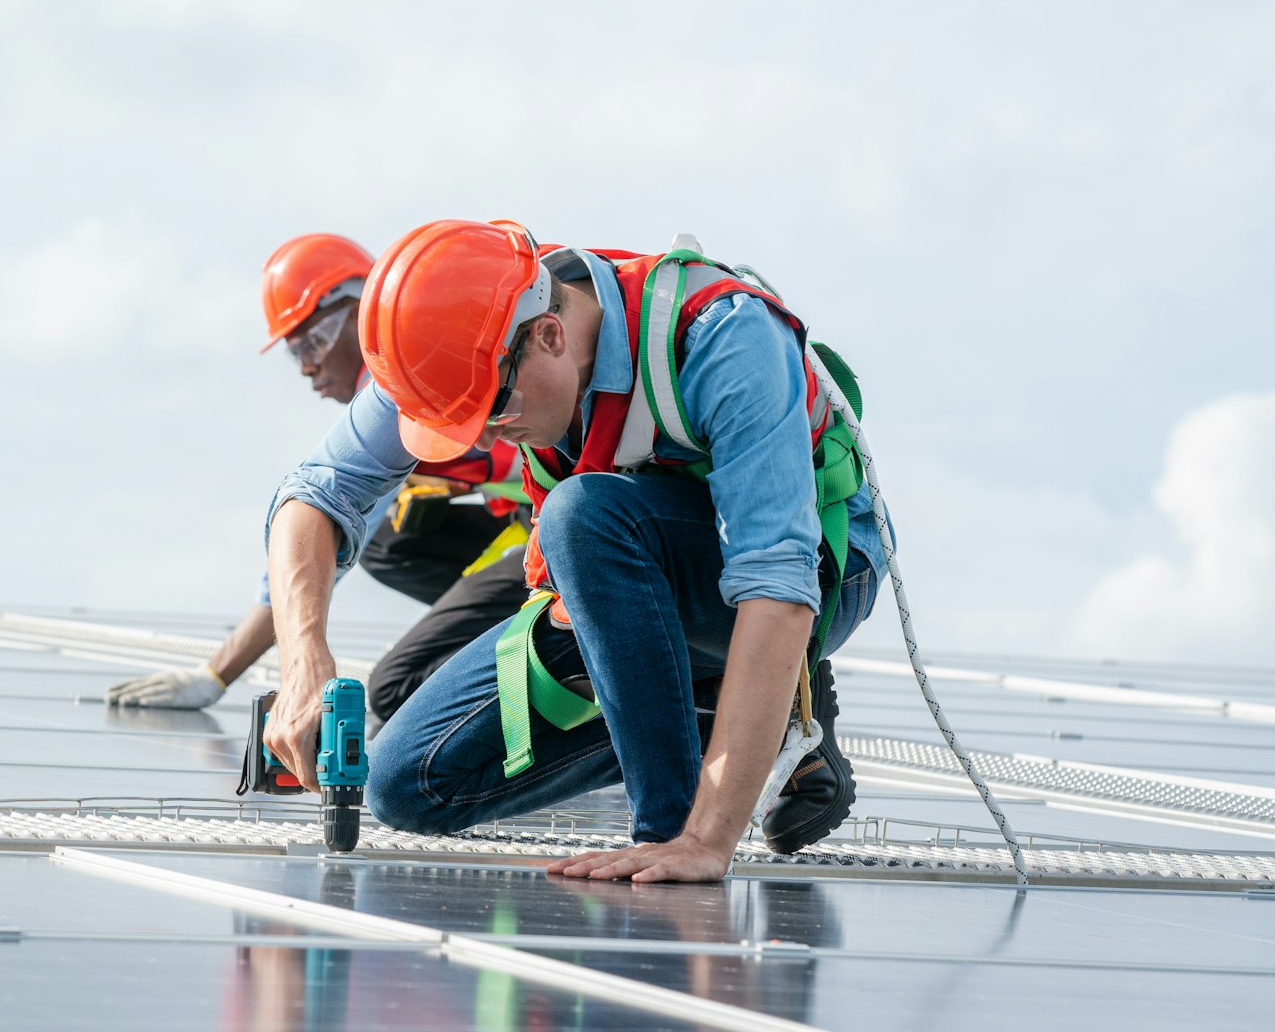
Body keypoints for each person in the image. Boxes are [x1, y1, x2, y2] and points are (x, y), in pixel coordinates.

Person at [260, 221, 886, 883]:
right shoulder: (453, 349)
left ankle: (671, 823)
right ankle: (720, 715)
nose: (490, 437)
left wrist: (706, 837)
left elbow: (778, 586)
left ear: (550, 336)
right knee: (406, 783)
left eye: (494, 413)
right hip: (630, 573)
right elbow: (314, 494)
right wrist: (303, 659)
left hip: (818, 575)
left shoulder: (724, 339)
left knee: (581, 513)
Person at [107, 233, 532, 721]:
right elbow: (324, 502)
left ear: (361, 312)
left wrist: (218, 673)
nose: (308, 367)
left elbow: (324, 537)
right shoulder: (392, 392)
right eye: (295, 352)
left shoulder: (408, 385)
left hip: (562, 530)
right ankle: (524, 631)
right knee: (389, 541)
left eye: (314, 341)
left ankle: (582, 686)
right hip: (536, 519)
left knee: (397, 687)